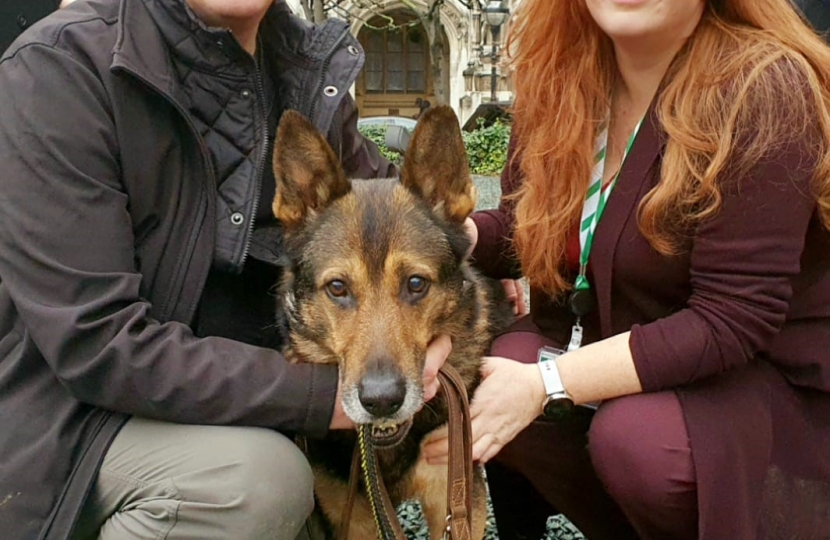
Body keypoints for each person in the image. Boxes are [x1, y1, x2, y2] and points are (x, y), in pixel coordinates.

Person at [0, 1, 453, 539]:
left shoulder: (305, 66)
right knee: (258, 484)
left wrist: (478, 294)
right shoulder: (59, 67)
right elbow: (97, 343)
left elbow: (409, 224)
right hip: (78, 426)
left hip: (258, 409)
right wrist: (315, 397)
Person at [422, 0, 830, 538]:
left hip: (761, 376)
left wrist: (547, 382)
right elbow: (527, 227)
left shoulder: (765, 87)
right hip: (627, 337)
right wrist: (452, 237)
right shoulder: (561, 78)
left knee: (635, 439)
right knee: (500, 365)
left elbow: (733, 320)